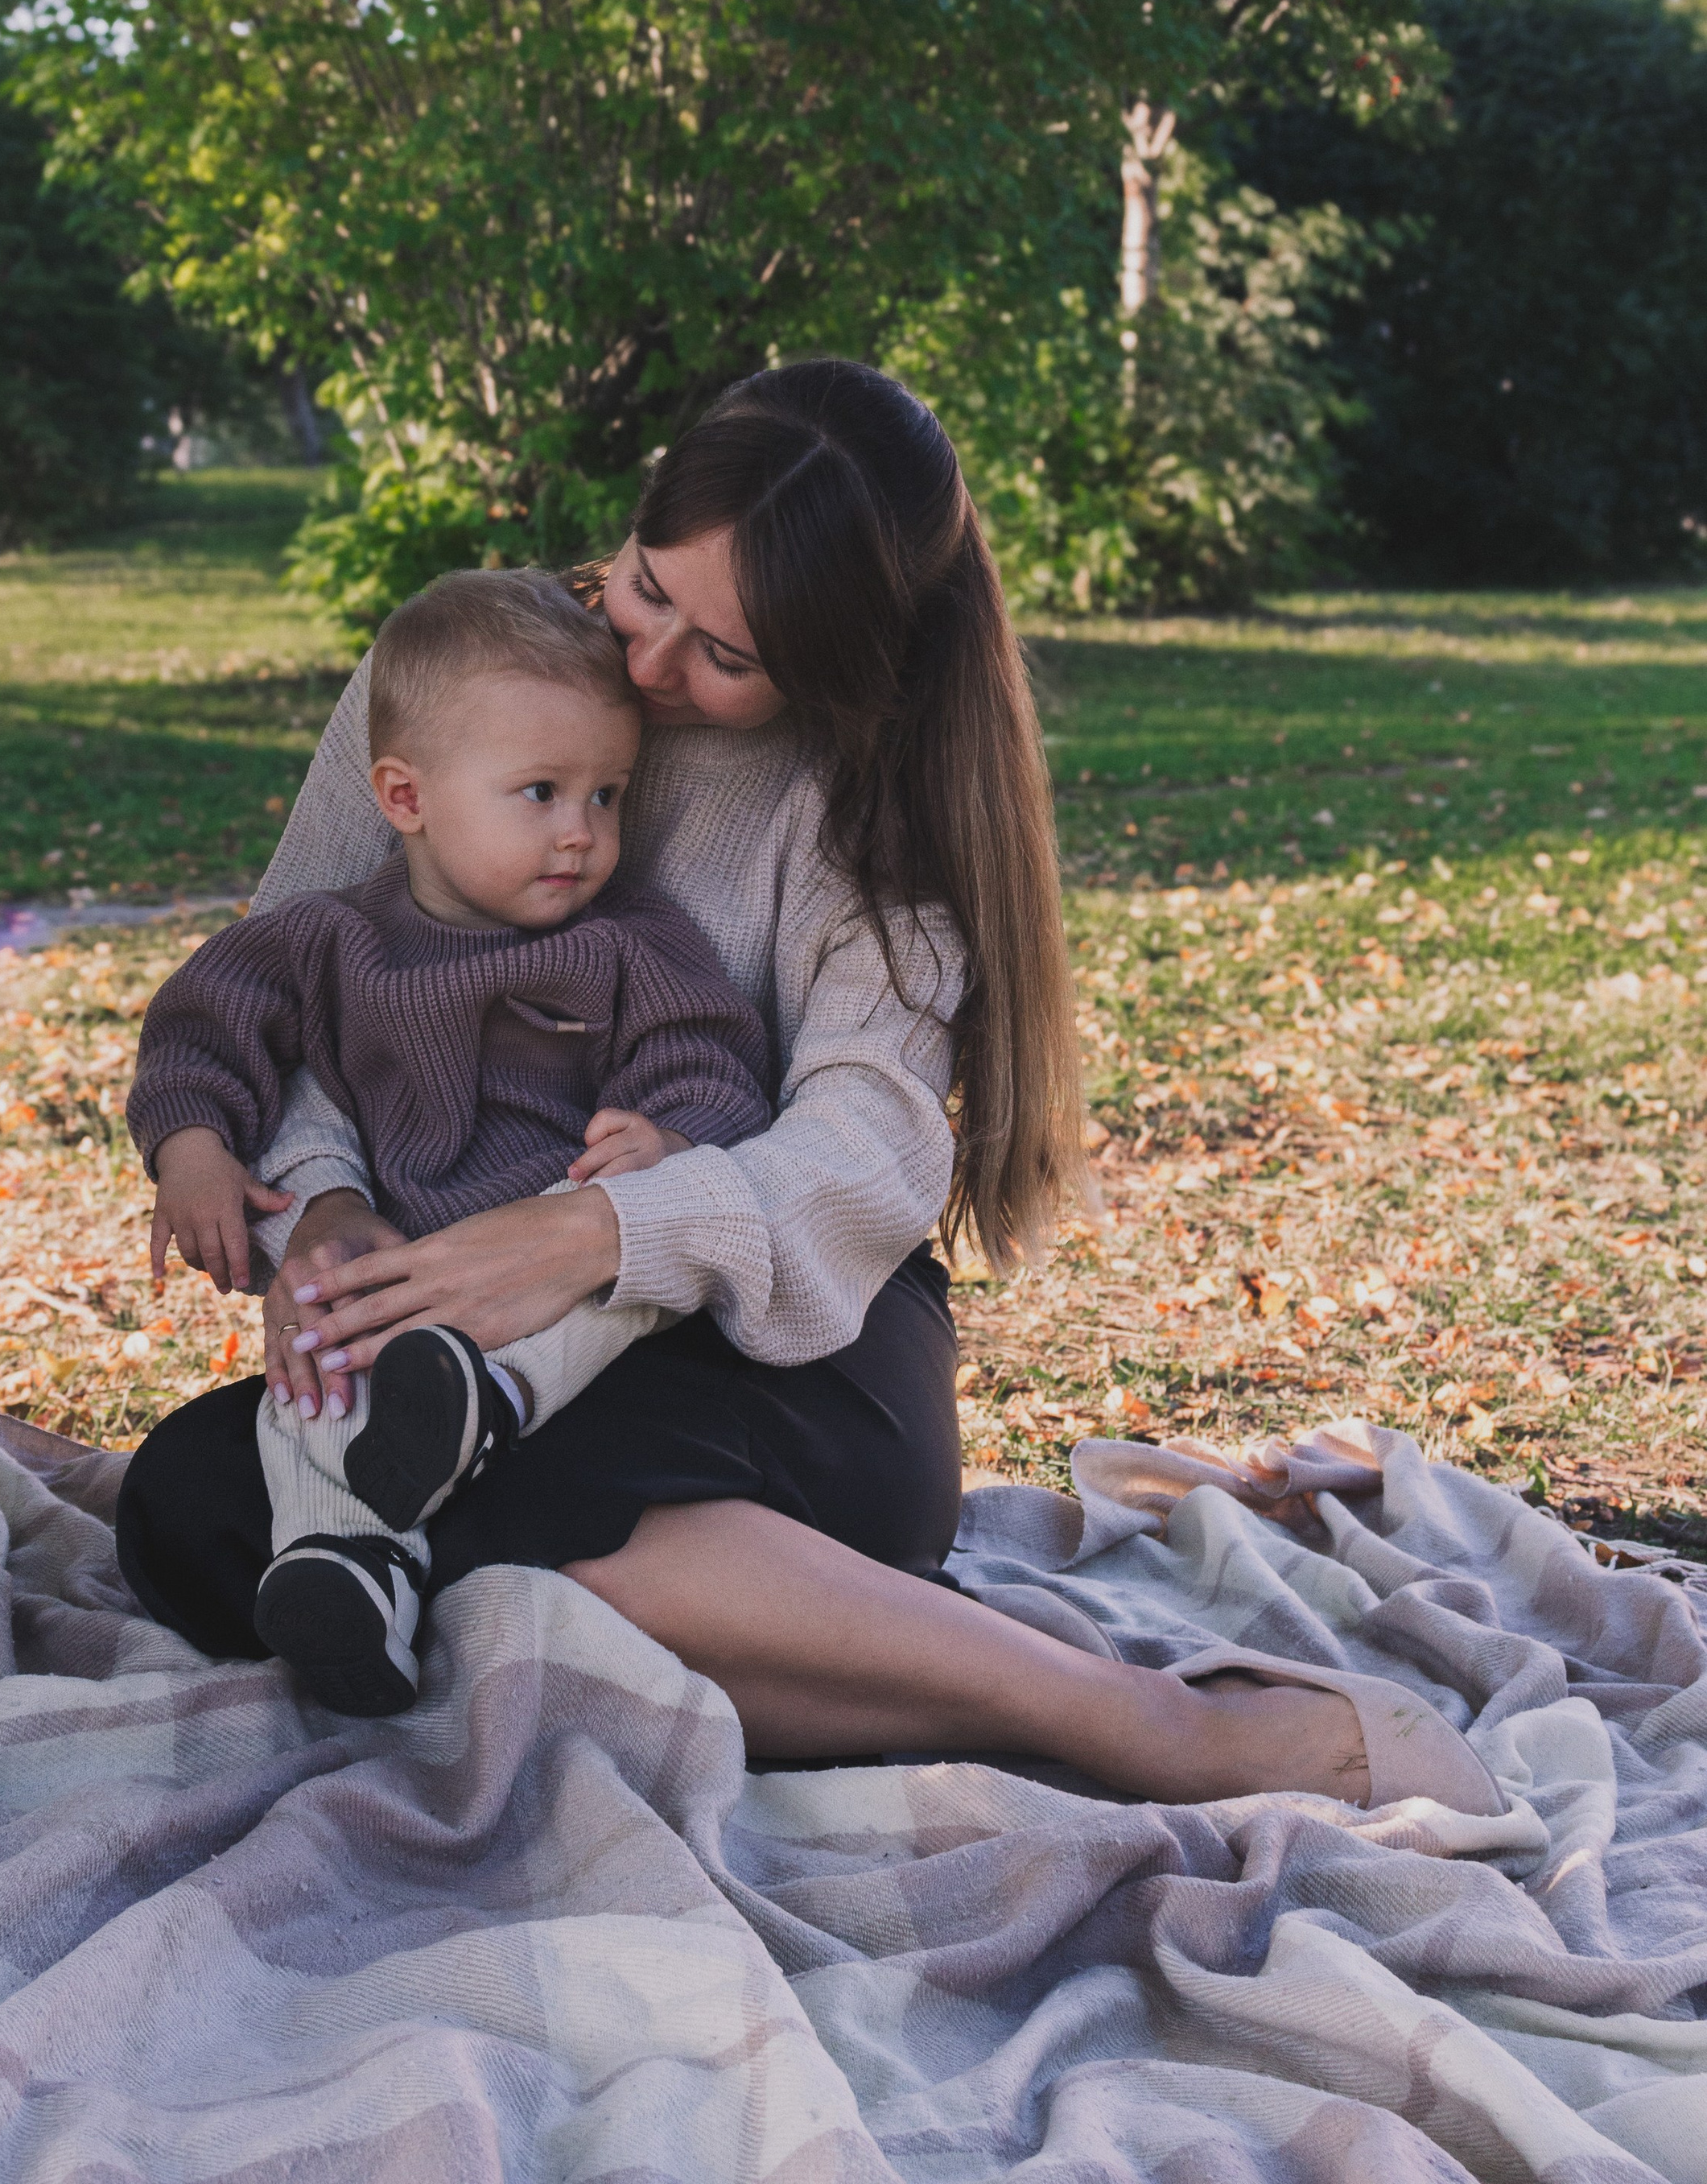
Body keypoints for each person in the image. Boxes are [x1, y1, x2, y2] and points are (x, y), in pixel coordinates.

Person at [117, 361, 1501, 1813]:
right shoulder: (459, 666)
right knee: (196, 1506)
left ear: (835, 667)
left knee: (483, 1492)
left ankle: (1138, 1724)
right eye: (650, 585)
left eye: (726, 655)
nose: (648, 669)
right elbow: (291, 988)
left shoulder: (863, 802)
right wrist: (325, 1214)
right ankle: (862, 1680)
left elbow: (867, 1148)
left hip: (787, 1344)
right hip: (458, 1314)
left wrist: (603, 1232)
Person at [127, 567, 771, 1714]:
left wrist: (669, 1143)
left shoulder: (627, 942)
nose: (582, 834)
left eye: (609, 796)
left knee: (630, 1286)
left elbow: (709, 1058)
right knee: (314, 1364)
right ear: (405, 797)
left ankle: (494, 1401)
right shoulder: (326, 945)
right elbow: (201, 1029)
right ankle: (345, 1568)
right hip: (405, 1272)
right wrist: (191, 1149)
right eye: (541, 793)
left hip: (561, 1273)